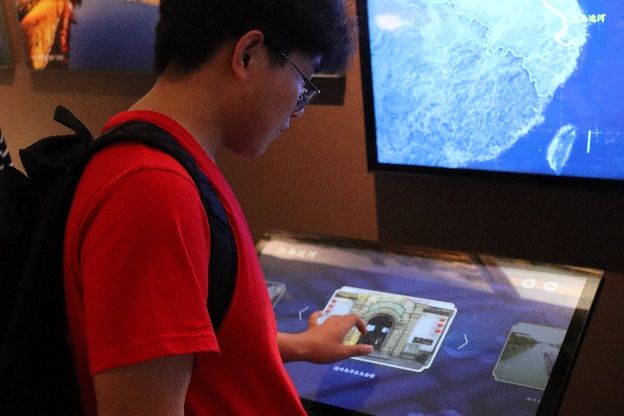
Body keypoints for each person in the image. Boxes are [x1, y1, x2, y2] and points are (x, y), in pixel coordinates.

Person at [62, 0, 373, 415]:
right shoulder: (152, 189)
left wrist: (299, 345)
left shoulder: (164, 164)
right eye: (304, 82)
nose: (299, 109)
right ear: (247, 55)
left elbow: (201, 336)